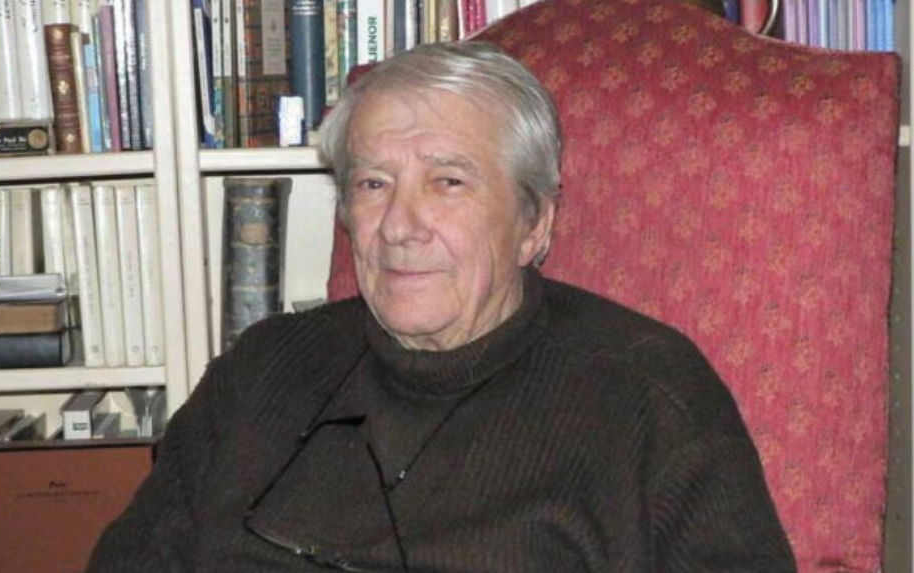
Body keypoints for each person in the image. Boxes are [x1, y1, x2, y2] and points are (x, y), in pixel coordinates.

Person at [86, 42, 796, 572]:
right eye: (373, 184)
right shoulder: (263, 369)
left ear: (534, 223)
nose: (400, 226)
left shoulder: (648, 395)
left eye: (448, 182)